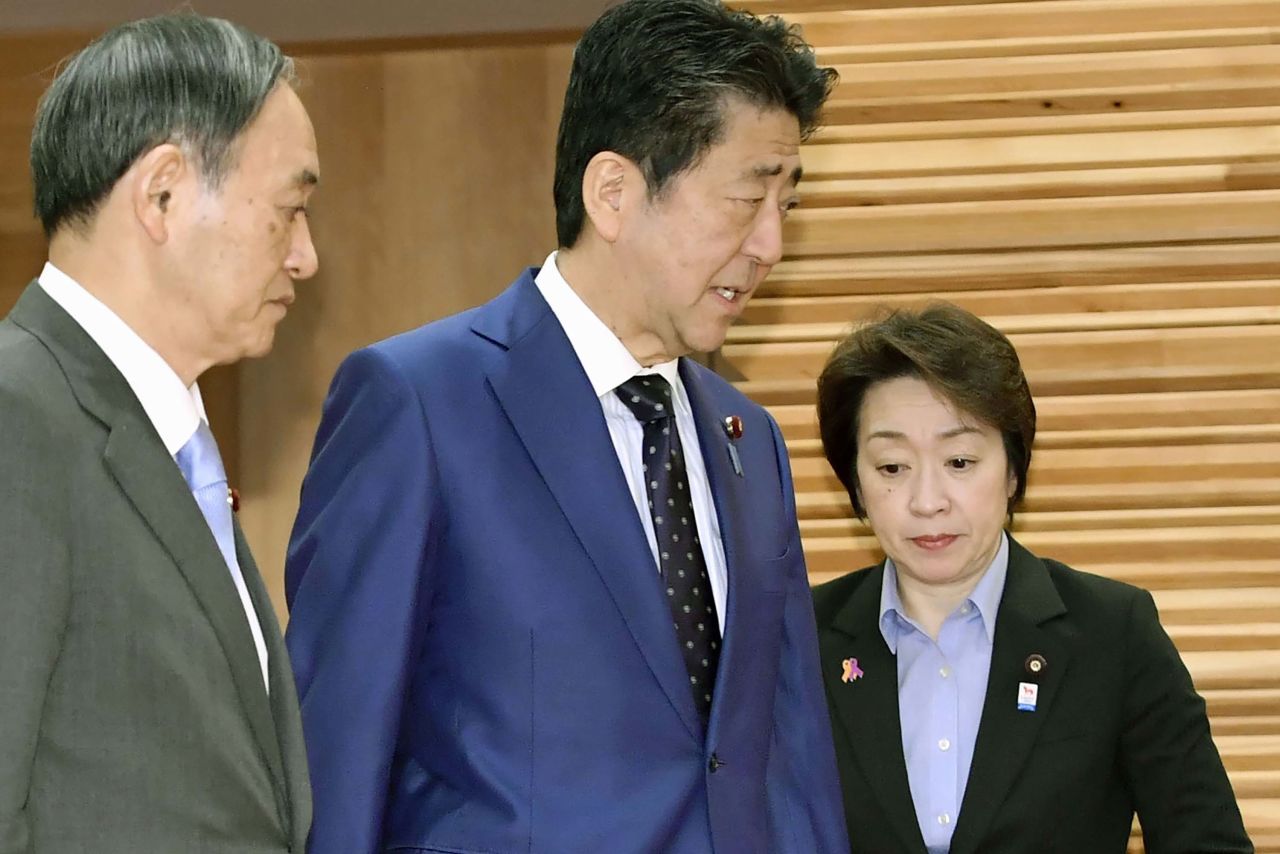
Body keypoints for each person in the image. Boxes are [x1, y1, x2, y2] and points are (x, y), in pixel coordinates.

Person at [283, 1, 846, 852]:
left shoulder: (748, 439)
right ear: (614, 192)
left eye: (786, 207)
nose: (769, 243)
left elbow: (791, 753)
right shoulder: (420, 404)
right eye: (744, 199)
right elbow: (338, 753)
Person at [0, 13, 319, 853]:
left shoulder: (167, 442)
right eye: (290, 210)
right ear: (163, 192)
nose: (306, 256)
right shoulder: (16, 419)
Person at [811, 302, 1253, 854]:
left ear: (1014, 469)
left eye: (960, 462)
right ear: (854, 483)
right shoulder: (801, 638)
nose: (927, 502)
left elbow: (1206, 841)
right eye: (892, 468)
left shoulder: (1112, 632)